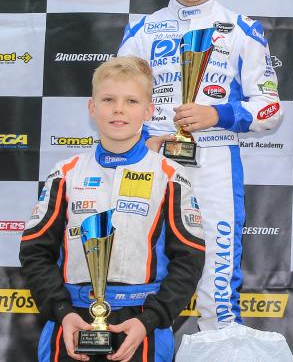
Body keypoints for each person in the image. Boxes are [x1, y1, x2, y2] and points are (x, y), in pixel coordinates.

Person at [118, 0, 283, 330]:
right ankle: (142, 348)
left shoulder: (242, 29)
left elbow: (271, 110)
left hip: (215, 161)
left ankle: (220, 346)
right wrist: (141, 140)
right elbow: (118, 100)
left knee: (217, 280)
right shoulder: (141, 31)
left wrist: (218, 114)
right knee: (141, 264)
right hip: (152, 161)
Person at [20, 56, 205, 362]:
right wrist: (62, 310)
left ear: (148, 111)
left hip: (142, 325)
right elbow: (35, 252)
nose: (119, 109)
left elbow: (189, 260)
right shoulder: (65, 173)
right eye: (108, 99)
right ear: (92, 107)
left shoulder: (171, 176)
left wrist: (151, 319)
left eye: (131, 101)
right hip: (71, 323)